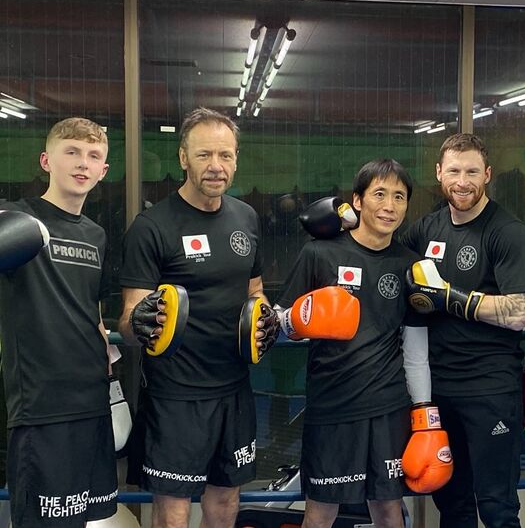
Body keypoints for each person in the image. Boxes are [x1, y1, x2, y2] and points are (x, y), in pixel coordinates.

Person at [118, 107, 270, 528]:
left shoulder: (247, 218)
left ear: (237, 158)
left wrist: (265, 316)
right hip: (175, 393)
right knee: (174, 512)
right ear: (183, 157)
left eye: (226, 155)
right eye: (204, 155)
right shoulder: (152, 227)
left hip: (234, 386)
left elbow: (254, 291)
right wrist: (140, 323)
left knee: (225, 503)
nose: (216, 166)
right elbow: (130, 319)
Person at [277, 159, 449, 528]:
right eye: (380, 194)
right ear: (357, 200)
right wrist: (298, 319)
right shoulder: (319, 254)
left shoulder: (410, 265)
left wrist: (425, 416)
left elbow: (416, 352)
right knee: (321, 511)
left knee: (388, 510)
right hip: (332, 405)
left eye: (399, 197)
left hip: (389, 407)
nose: (389, 206)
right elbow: (278, 323)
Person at [401, 133, 525, 528]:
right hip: (438, 390)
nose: (463, 181)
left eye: (472, 171)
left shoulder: (507, 232)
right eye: (455, 171)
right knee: (453, 504)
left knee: (496, 506)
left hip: (489, 389)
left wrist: (449, 298)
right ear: (439, 173)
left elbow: (517, 313)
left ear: (487, 175)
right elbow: (385, 259)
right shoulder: (427, 229)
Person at [0, 118, 117, 527]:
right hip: (40, 405)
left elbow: (95, 311)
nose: (81, 163)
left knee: (80, 520)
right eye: (71, 152)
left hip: (91, 399)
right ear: (47, 160)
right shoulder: (15, 217)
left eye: (93, 156)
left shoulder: (97, 234)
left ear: (103, 171)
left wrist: (106, 351)